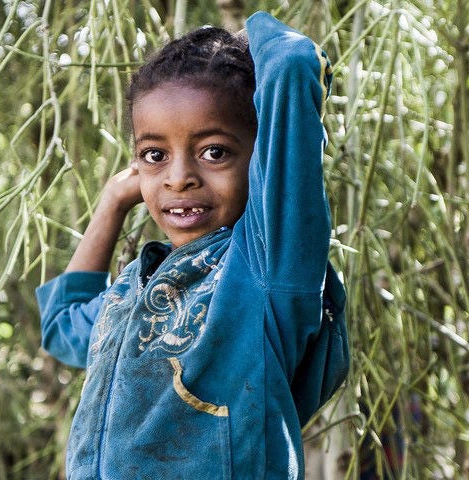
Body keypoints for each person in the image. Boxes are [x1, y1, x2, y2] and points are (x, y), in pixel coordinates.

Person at [36, 11, 345, 479]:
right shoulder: (134, 293)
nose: (178, 178)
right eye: (154, 155)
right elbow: (61, 326)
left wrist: (241, 40)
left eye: (214, 151)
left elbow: (290, 62)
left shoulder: (265, 268)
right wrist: (112, 203)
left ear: (259, 156)